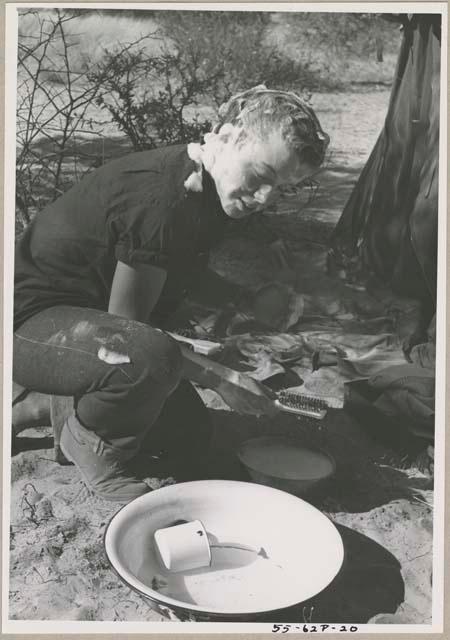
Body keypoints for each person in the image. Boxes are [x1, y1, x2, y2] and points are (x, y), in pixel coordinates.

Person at [13, 85, 329, 502]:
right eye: (261, 176)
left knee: (189, 436)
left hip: (79, 324)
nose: (265, 198)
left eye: (283, 188)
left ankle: (38, 407)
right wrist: (224, 379)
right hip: (26, 326)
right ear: (230, 135)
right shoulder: (163, 200)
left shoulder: (205, 187)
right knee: (150, 360)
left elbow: (176, 271)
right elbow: (129, 336)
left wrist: (246, 301)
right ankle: (90, 447)